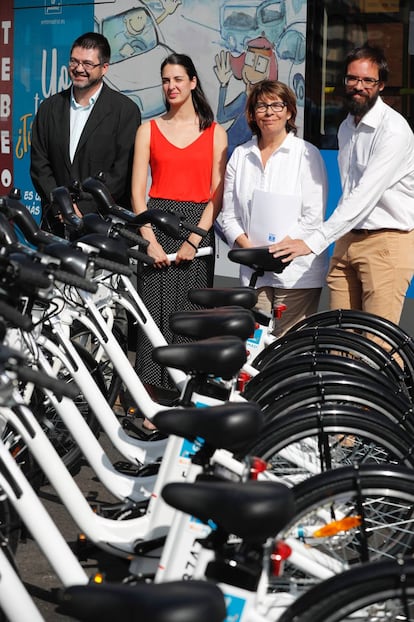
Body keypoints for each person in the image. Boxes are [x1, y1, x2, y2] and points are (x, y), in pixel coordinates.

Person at [270, 45, 414, 327]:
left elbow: (363, 197)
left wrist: (311, 242)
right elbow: (350, 191)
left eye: (367, 81)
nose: (358, 87)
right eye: (352, 79)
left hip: (386, 242)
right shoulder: (347, 126)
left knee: (377, 346)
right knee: (340, 340)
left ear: (380, 85)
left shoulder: (394, 131)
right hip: (348, 239)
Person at [131, 52, 228, 394]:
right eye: (165, 80)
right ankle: (151, 403)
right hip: (155, 225)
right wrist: (148, 239)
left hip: (196, 232)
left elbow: (216, 196)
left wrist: (194, 240)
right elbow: (138, 195)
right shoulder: (148, 129)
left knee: (191, 317)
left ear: (192, 82)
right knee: (152, 318)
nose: (170, 86)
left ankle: (186, 396)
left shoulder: (216, 133)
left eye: (177, 79)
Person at [220, 79, 328, 337]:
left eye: (277, 105)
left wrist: (278, 252)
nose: (269, 112)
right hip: (254, 271)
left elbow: (313, 217)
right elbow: (228, 215)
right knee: (255, 347)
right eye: (261, 106)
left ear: (290, 111)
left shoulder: (306, 154)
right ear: (252, 114)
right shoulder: (240, 155)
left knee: (288, 347)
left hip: (296, 273)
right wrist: (252, 252)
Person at [30, 31, 141, 237]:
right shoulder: (49, 108)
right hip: (55, 225)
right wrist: (62, 206)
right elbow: (40, 166)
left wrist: (85, 208)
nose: (79, 69)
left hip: (103, 226)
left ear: (104, 68)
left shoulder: (125, 111)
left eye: (88, 64)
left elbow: (121, 173)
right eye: (74, 61)